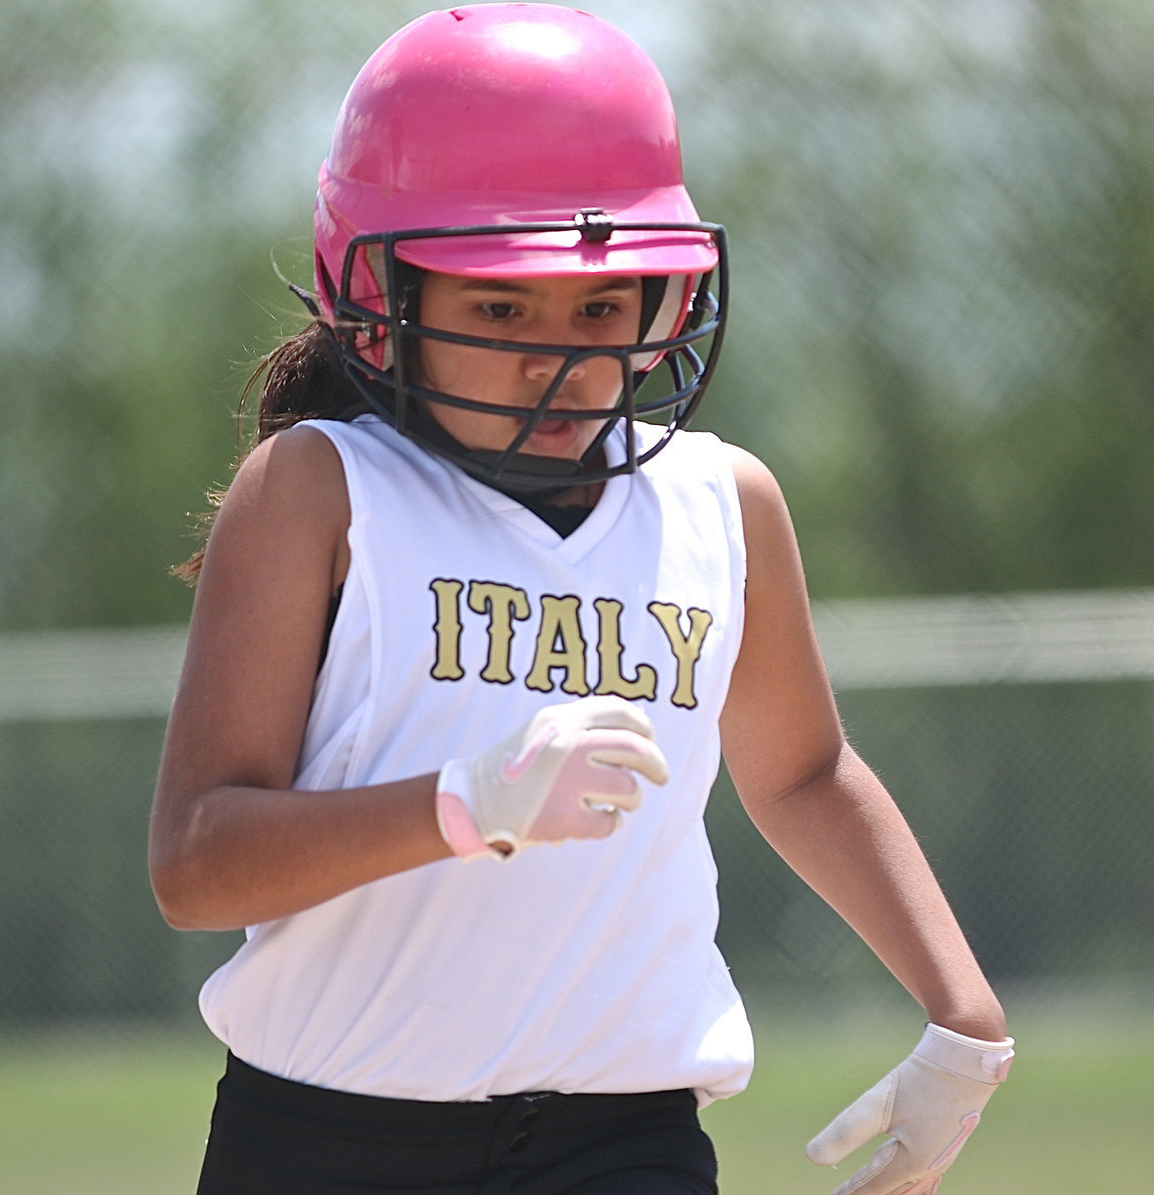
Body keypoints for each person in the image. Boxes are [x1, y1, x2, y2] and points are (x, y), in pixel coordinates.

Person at [149, 6, 1013, 1193]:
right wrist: (462, 803)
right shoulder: (321, 490)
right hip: (329, 1144)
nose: (559, 357)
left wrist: (965, 1015)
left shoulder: (724, 501)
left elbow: (805, 773)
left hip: (623, 1141)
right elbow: (196, 865)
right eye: (502, 306)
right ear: (381, 293)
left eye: (600, 307)